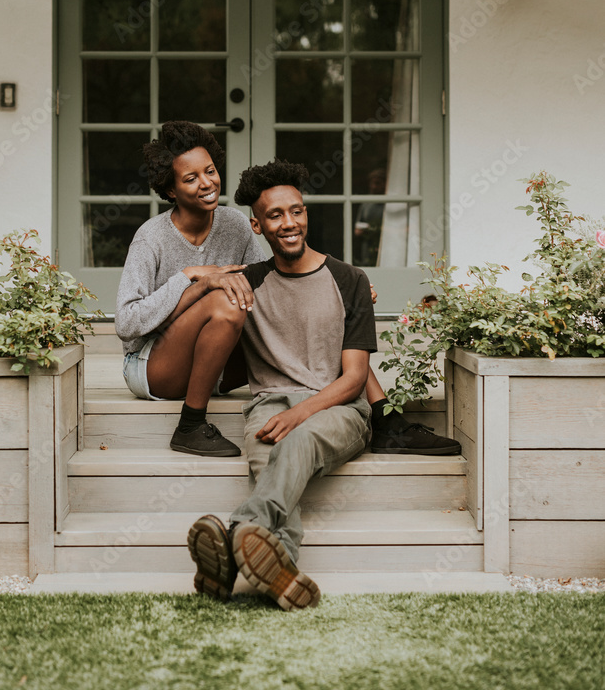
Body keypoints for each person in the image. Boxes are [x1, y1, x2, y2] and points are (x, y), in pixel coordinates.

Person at [187, 159, 460, 612]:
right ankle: (281, 571)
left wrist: (298, 413)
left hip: (339, 409)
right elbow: (191, 318)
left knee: (292, 448)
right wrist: (195, 277)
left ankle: (235, 535)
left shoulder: (350, 280)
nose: (289, 223)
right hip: (266, 406)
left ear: (306, 213)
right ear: (257, 224)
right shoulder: (246, 285)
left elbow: (354, 377)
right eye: (275, 215)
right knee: (270, 471)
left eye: (296, 211)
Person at [114, 121, 265, 457]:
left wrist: (336, 290)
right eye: (191, 178)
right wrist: (191, 278)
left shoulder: (236, 225)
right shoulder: (151, 238)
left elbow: (264, 288)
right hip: (151, 366)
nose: (206, 183)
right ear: (171, 191)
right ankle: (191, 425)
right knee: (224, 302)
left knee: (292, 318)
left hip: (212, 362)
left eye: (209, 171)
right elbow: (126, 324)